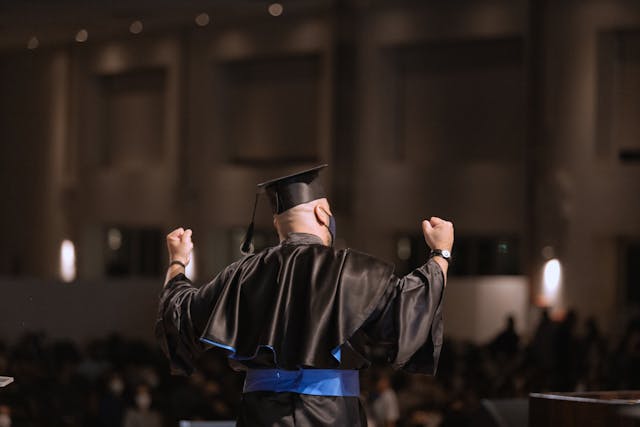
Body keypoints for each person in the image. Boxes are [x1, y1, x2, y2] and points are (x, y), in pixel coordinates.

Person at [156, 165, 453, 426]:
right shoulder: (354, 271)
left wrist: (178, 261)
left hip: (261, 416)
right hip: (333, 415)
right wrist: (440, 253)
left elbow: (179, 316)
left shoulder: (241, 274)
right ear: (322, 214)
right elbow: (410, 310)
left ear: (276, 225)